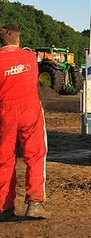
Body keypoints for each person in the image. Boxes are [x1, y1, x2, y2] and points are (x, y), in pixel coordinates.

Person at [0, 23, 50, 220]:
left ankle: (4, 207)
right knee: (35, 156)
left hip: (5, 112)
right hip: (30, 110)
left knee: (4, 158)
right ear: (18, 39)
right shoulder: (30, 57)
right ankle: (35, 203)